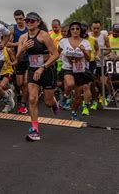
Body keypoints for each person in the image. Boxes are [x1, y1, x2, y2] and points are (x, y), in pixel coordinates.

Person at [16, 12, 59, 141]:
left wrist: (43, 67)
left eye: (32, 21)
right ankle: (35, 129)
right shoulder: (23, 38)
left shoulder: (44, 36)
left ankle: (54, 102)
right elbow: (18, 58)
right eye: (27, 20)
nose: (29, 22)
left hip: (47, 70)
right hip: (32, 70)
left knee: (47, 102)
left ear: (38, 22)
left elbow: (56, 55)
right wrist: (23, 49)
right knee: (33, 99)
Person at [58, 21, 93, 121]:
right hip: (67, 68)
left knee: (77, 96)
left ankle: (74, 112)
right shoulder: (63, 41)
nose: (75, 30)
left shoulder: (85, 42)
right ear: (70, 30)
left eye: (77, 28)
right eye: (72, 28)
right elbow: (57, 53)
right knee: (69, 84)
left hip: (80, 69)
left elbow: (89, 58)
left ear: (80, 30)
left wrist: (83, 51)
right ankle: (65, 98)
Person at [8, 10, 29, 114]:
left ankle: (23, 105)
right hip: (19, 59)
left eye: (20, 18)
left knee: (25, 83)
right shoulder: (13, 29)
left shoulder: (29, 28)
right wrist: (20, 44)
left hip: (30, 59)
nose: (19, 21)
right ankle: (21, 94)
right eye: (16, 19)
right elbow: (8, 44)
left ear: (24, 17)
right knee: (19, 83)